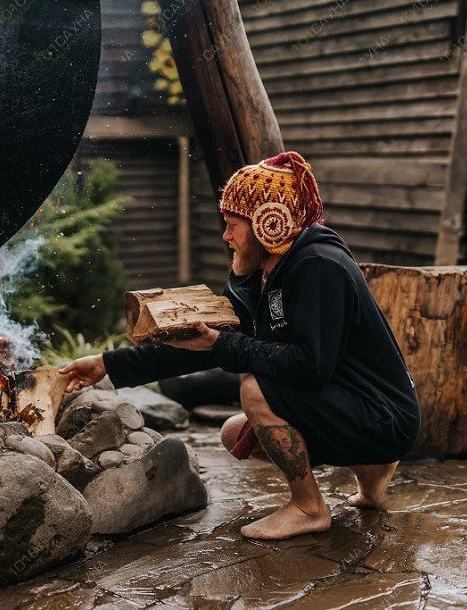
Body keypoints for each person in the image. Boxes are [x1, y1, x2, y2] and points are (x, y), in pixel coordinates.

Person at [59, 151, 421, 540]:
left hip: (383, 417)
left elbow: (312, 366)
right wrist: (108, 365)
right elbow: (202, 343)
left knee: (255, 390)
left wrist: (223, 345)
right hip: (350, 405)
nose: (225, 236)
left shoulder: (319, 267)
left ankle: (309, 508)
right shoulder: (255, 274)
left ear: (269, 223)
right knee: (236, 434)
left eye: (233, 225)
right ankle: (373, 472)